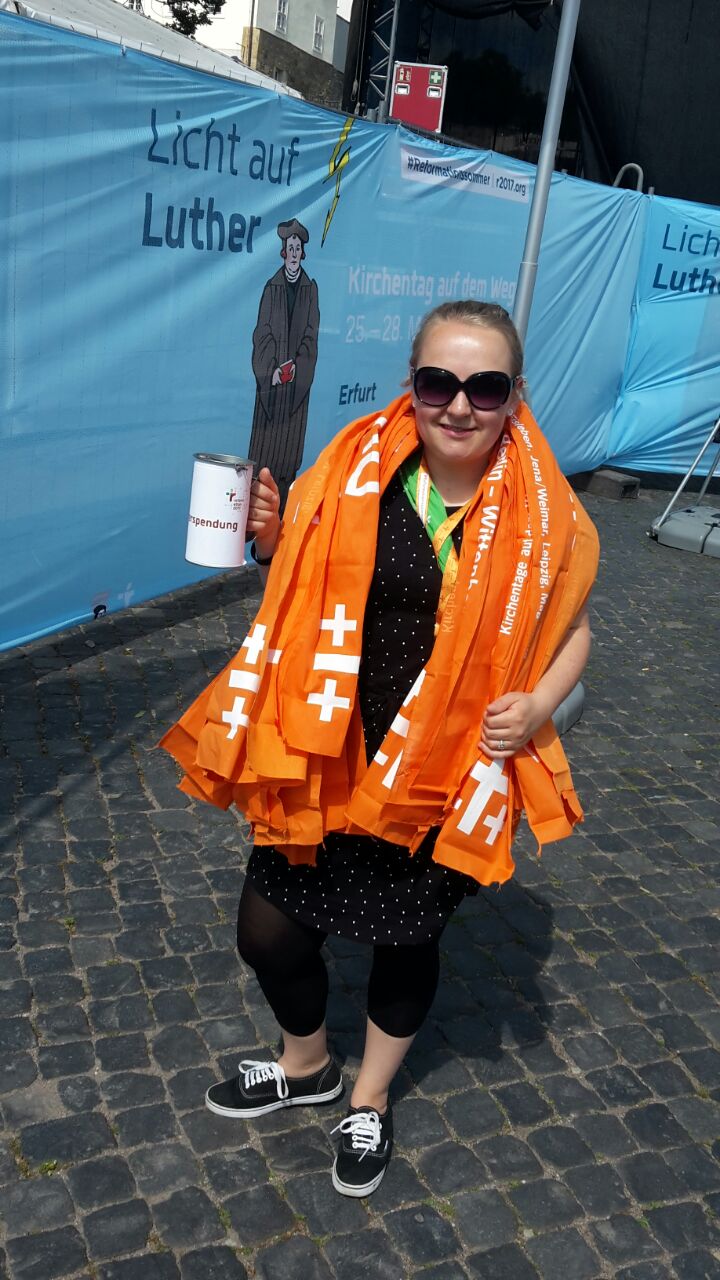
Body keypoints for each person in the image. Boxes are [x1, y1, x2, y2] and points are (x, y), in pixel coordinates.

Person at [161, 300, 598, 1199]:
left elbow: (574, 629)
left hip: (442, 768)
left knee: (404, 940)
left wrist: (538, 703)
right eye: (440, 382)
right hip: (329, 751)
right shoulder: (358, 466)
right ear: (413, 383)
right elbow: (302, 571)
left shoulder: (544, 510)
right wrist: (273, 536)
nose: (460, 405)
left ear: (516, 395)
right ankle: (307, 1064)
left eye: (486, 387)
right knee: (267, 932)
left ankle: (368, 1097)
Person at [247, 218, 320, 511]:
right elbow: (261, 333)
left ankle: (282, 521)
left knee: (288, 460)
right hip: (272, 389)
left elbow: (311, 335)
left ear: (302, 253)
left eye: (297, 248)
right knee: (263, 460)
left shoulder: (309, 289)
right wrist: (272, 371)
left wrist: (299, 366)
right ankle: (252, 524)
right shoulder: (272, 288)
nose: (293, 253)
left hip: (294, 393)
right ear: (283, 252)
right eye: (290, 248)